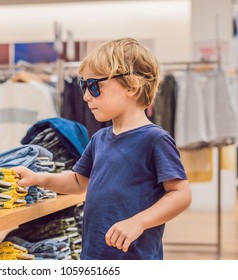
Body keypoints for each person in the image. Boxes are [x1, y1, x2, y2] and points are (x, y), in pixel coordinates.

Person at [14, 38, 192, 260]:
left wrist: (139, 222)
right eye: (83, 86)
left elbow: (180, 194)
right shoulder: (99, 138)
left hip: (134, 258)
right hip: (94, 255)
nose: (86, 95)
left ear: (132, 85)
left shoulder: (155, 139)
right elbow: (79, 182)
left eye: (94, 86)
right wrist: (38, 178)